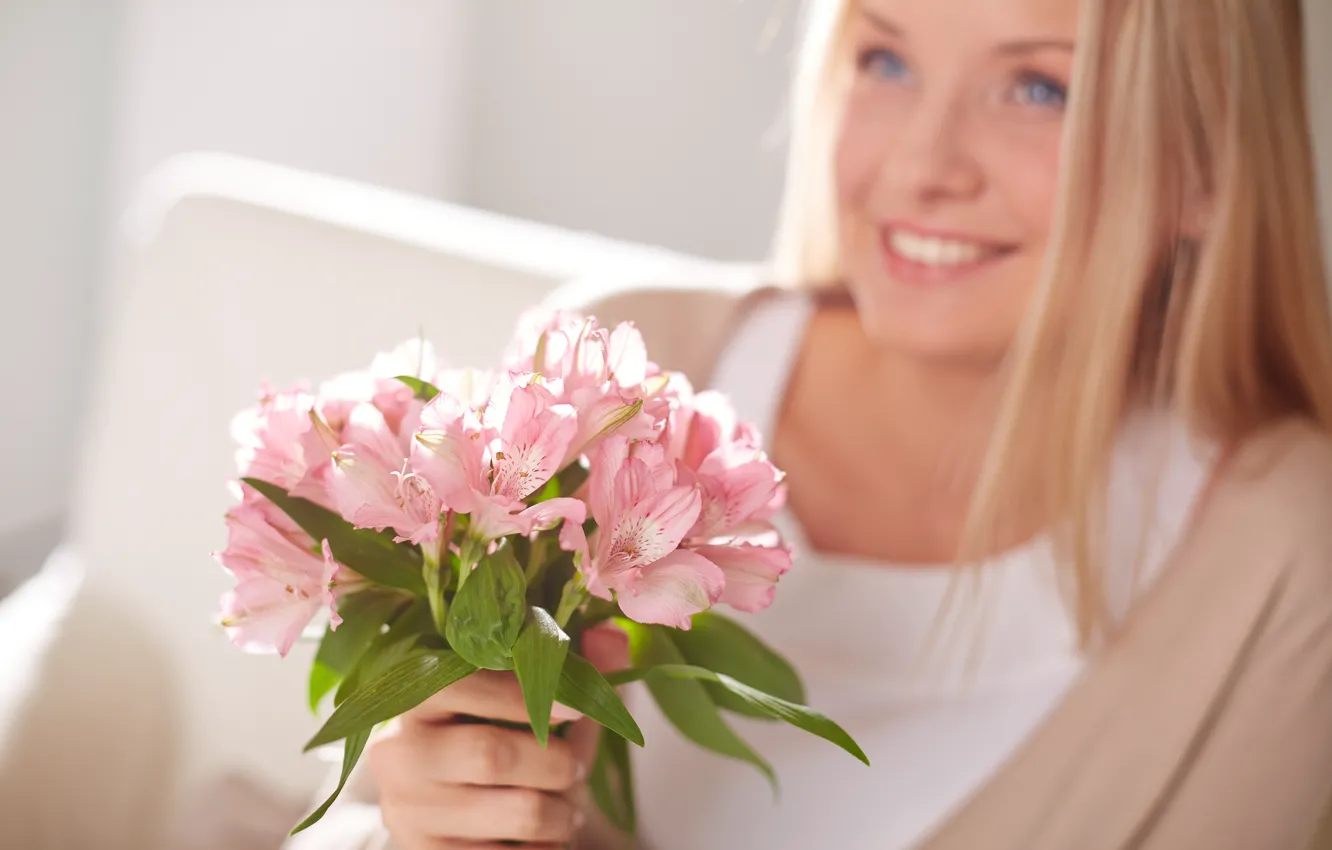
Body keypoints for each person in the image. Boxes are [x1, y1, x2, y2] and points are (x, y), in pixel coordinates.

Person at [287, 0, 1332, 847]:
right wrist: (418, 828)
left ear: (1207, 161)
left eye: (1038, 88)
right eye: (886, 60)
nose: (921, 164)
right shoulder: (615, 375)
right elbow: (339, 820)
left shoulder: (1285, 551)